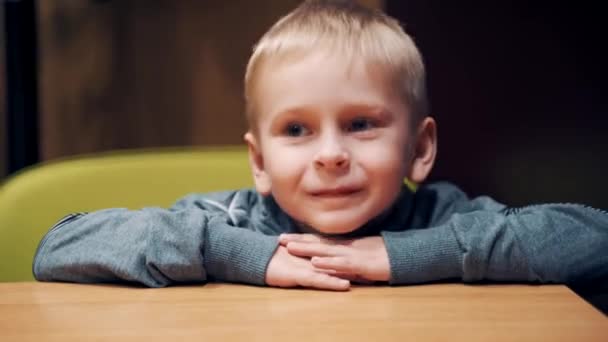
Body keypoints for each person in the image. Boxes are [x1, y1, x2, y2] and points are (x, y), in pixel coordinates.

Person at [34, 0, 607, 296]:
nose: (330, 154)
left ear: (420, 148)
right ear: (259, 161)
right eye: (297, 130)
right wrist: (240, 255)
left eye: (361, 123)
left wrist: (409, 255)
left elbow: (595, 241)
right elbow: (57, 247)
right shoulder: (230, 221)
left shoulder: (440, 217)